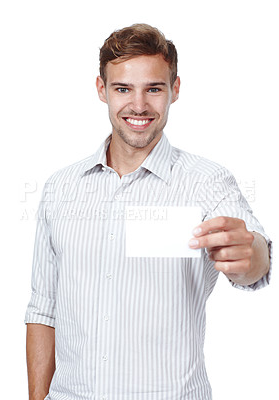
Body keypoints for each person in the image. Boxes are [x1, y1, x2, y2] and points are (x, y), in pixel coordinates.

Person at [25, 23, 272, 400]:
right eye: (123, 88)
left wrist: (249, 254)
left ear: (174, 90)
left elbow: (256, 259)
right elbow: (44, 309)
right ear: (101, 89)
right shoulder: (61, 188)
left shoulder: (206, 182)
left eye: (153, 89)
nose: (138, 105)